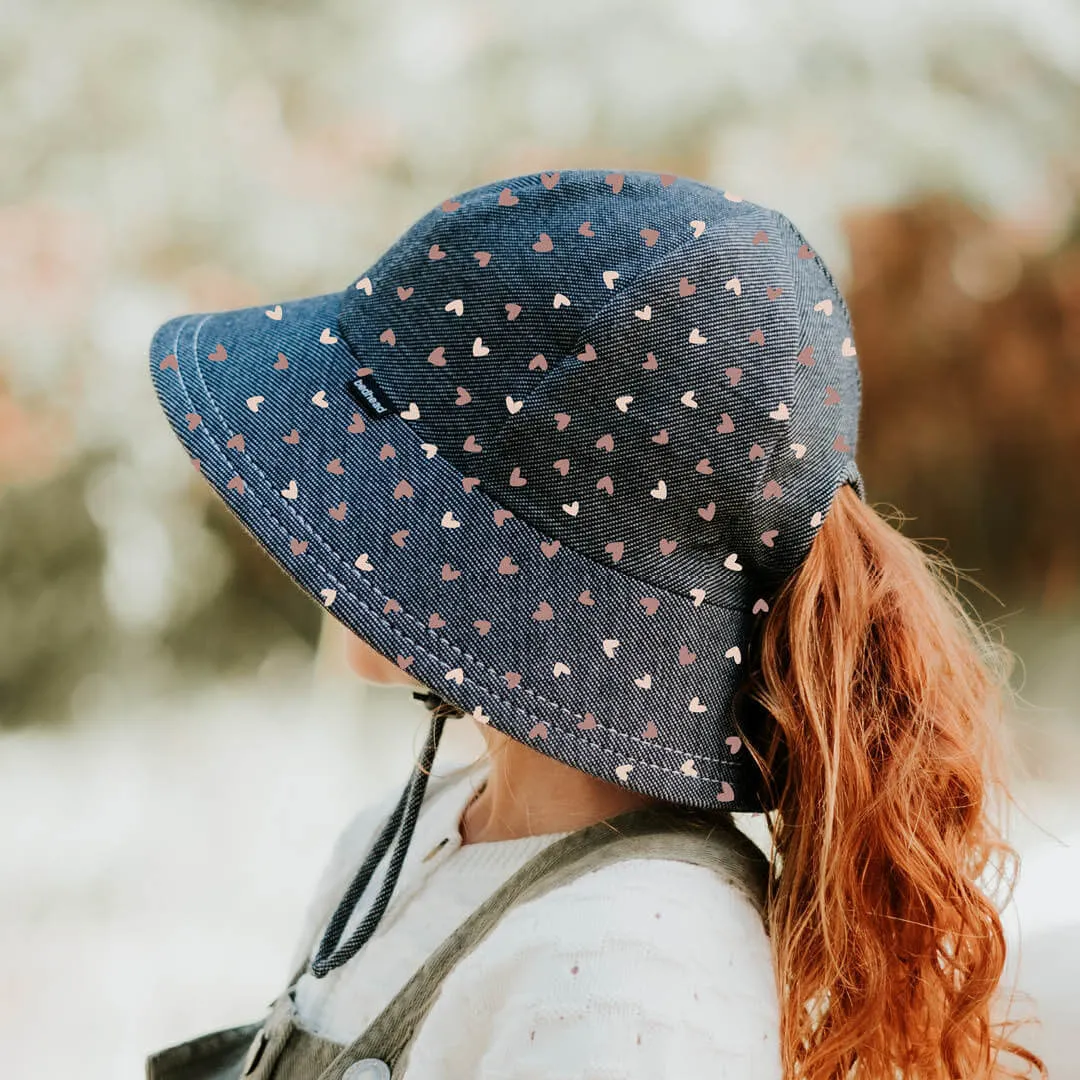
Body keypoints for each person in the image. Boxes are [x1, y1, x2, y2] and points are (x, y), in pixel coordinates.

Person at [144, 169, 1046, 1079]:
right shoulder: (408, 837)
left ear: (511, 577)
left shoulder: (625, 979)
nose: (332, 519)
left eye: (381, 479)